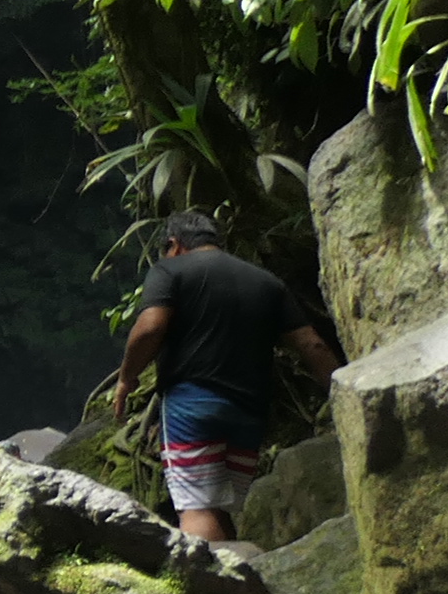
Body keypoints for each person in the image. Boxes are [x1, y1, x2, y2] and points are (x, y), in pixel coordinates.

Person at [113, 210, 340, 542]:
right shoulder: (267, 282)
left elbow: (151, 327)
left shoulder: (169, 270)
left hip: (193, 405)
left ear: (174, 244)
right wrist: (341, 393)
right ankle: (240, 583)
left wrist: (127, 377)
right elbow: (312, 344)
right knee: (219, 509)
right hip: (248, 413)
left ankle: (208, 591)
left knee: (196, 509)